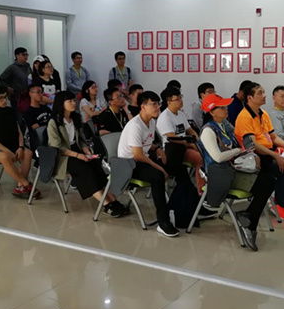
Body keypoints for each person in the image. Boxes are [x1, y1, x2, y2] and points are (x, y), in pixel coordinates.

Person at [199, 94, 275, 251]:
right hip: (220, 174)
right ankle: (249, 224)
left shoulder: (225, 125)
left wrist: (247, 150)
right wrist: (239, 150)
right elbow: (218, 157)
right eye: (221, 107)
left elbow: (242, 141)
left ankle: (249, 217)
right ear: (212, 112)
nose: (226, 109)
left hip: (233, 168)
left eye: (225, 106)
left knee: (269, 178)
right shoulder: (208, 131)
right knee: (266, 183)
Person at [234, 82, 284, 221]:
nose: (264, 95)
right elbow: (253, 145)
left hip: (271, 151)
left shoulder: (263, 114)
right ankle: (280, 204)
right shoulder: (244, 117)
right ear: (250, 98)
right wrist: (275, 155)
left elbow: (273, 137)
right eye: (260, 93)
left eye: (264, 92)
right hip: (256, 156)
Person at [47, 91, 129, 217]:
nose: (73, 103)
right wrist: (78, 155)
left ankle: (113, 200)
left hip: (76, 149)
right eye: (69, 101)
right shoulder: (54, 122)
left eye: (73, 100)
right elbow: (57, 147)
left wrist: (85, 150)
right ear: (61, 104)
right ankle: (106, 204)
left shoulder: (75, 118)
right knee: (84, 170)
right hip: (62, 156)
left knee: (96, 165)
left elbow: (81, 139)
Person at [117, 91, 177, 237]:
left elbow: (146, 144)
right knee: (158, 175)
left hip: (141, 159)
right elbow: (137, 155)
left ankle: (179, 208)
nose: (158, 108)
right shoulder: (135, 125)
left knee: (175, 166)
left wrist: (157, 149)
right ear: (143, 106)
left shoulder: (151, 122)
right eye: (153, 104)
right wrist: (158, 167)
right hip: (127, 165)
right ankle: (163, 221)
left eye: (158, 104)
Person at [0, 84, 39, 198]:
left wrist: (20, 147)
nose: (4, 100)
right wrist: (8, 151)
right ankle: (26, 184)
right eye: (0, 98)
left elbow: (18, 131)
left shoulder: (8, 109)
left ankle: (20, 186)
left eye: (5, 97)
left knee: (28, 153)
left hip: (7, 142)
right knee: (5, 157)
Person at [157, 86, 206, 195]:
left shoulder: (180, 114)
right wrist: (191, 145)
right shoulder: (165, 117)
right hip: (174, 150)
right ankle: (201, 191)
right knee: (200, 158)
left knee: (206, 153)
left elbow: (190, 130)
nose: (181, 101)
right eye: (177, 99)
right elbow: (172, 138)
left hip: (185, 146)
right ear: (169, 102)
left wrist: (198, 142)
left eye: (181, 97)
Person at [0, 47, 31, 117]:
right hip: (17, 97)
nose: (26, 56)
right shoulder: (12, 68)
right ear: (17, 56)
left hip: (27, 96)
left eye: (27, 54)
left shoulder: (28, 66)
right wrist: (7, 88)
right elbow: (1, 79)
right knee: (19, 117)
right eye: (23, 54)